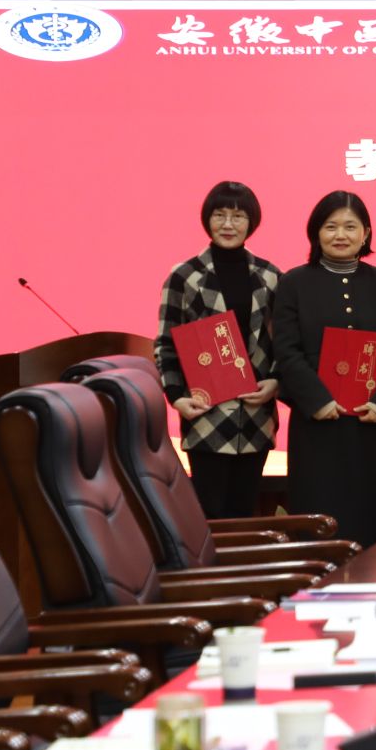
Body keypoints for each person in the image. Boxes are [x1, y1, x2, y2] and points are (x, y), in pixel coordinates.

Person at [272, 191, 376, 546]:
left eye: (350, 226)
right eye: (330, 226)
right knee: (318, 513)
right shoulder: (293, 282)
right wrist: (317, 400)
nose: (340, 235)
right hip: (315, 421)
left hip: (367, 419)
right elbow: (286, 350)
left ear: (366, 233)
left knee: (367, 515)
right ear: (315, 232)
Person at [152, 180, 282, 521]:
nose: (228, 224)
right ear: (207, 219)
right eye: (219, 215)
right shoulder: (184, 276)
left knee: (244, 513)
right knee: (208, 516)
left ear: (251, 222)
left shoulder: (270, 276)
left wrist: (276, 382)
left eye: (238, 216)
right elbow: (166, 343)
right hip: (205, 414)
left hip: (256, 416)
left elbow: (285, 343)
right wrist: (176, 397)